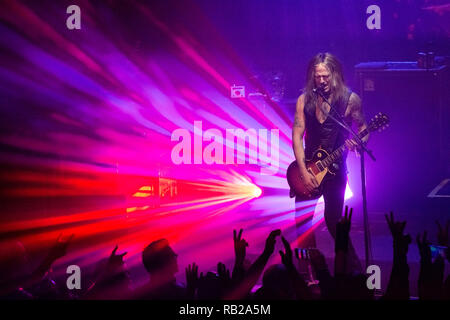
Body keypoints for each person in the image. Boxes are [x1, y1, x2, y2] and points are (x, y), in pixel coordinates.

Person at [292, 52, 368, 274]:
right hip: (308, 170)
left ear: (334, 74)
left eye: (326, 76)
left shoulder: (350, 100)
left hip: (335, 172)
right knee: (303, 223)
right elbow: (297, 135)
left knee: (334, 221)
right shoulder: (304, 100)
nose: (322, 81)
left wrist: (359, 142)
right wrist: (304, 173)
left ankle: (352, 272)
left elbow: (363, 130)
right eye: (318, 77)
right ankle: (308, 273)